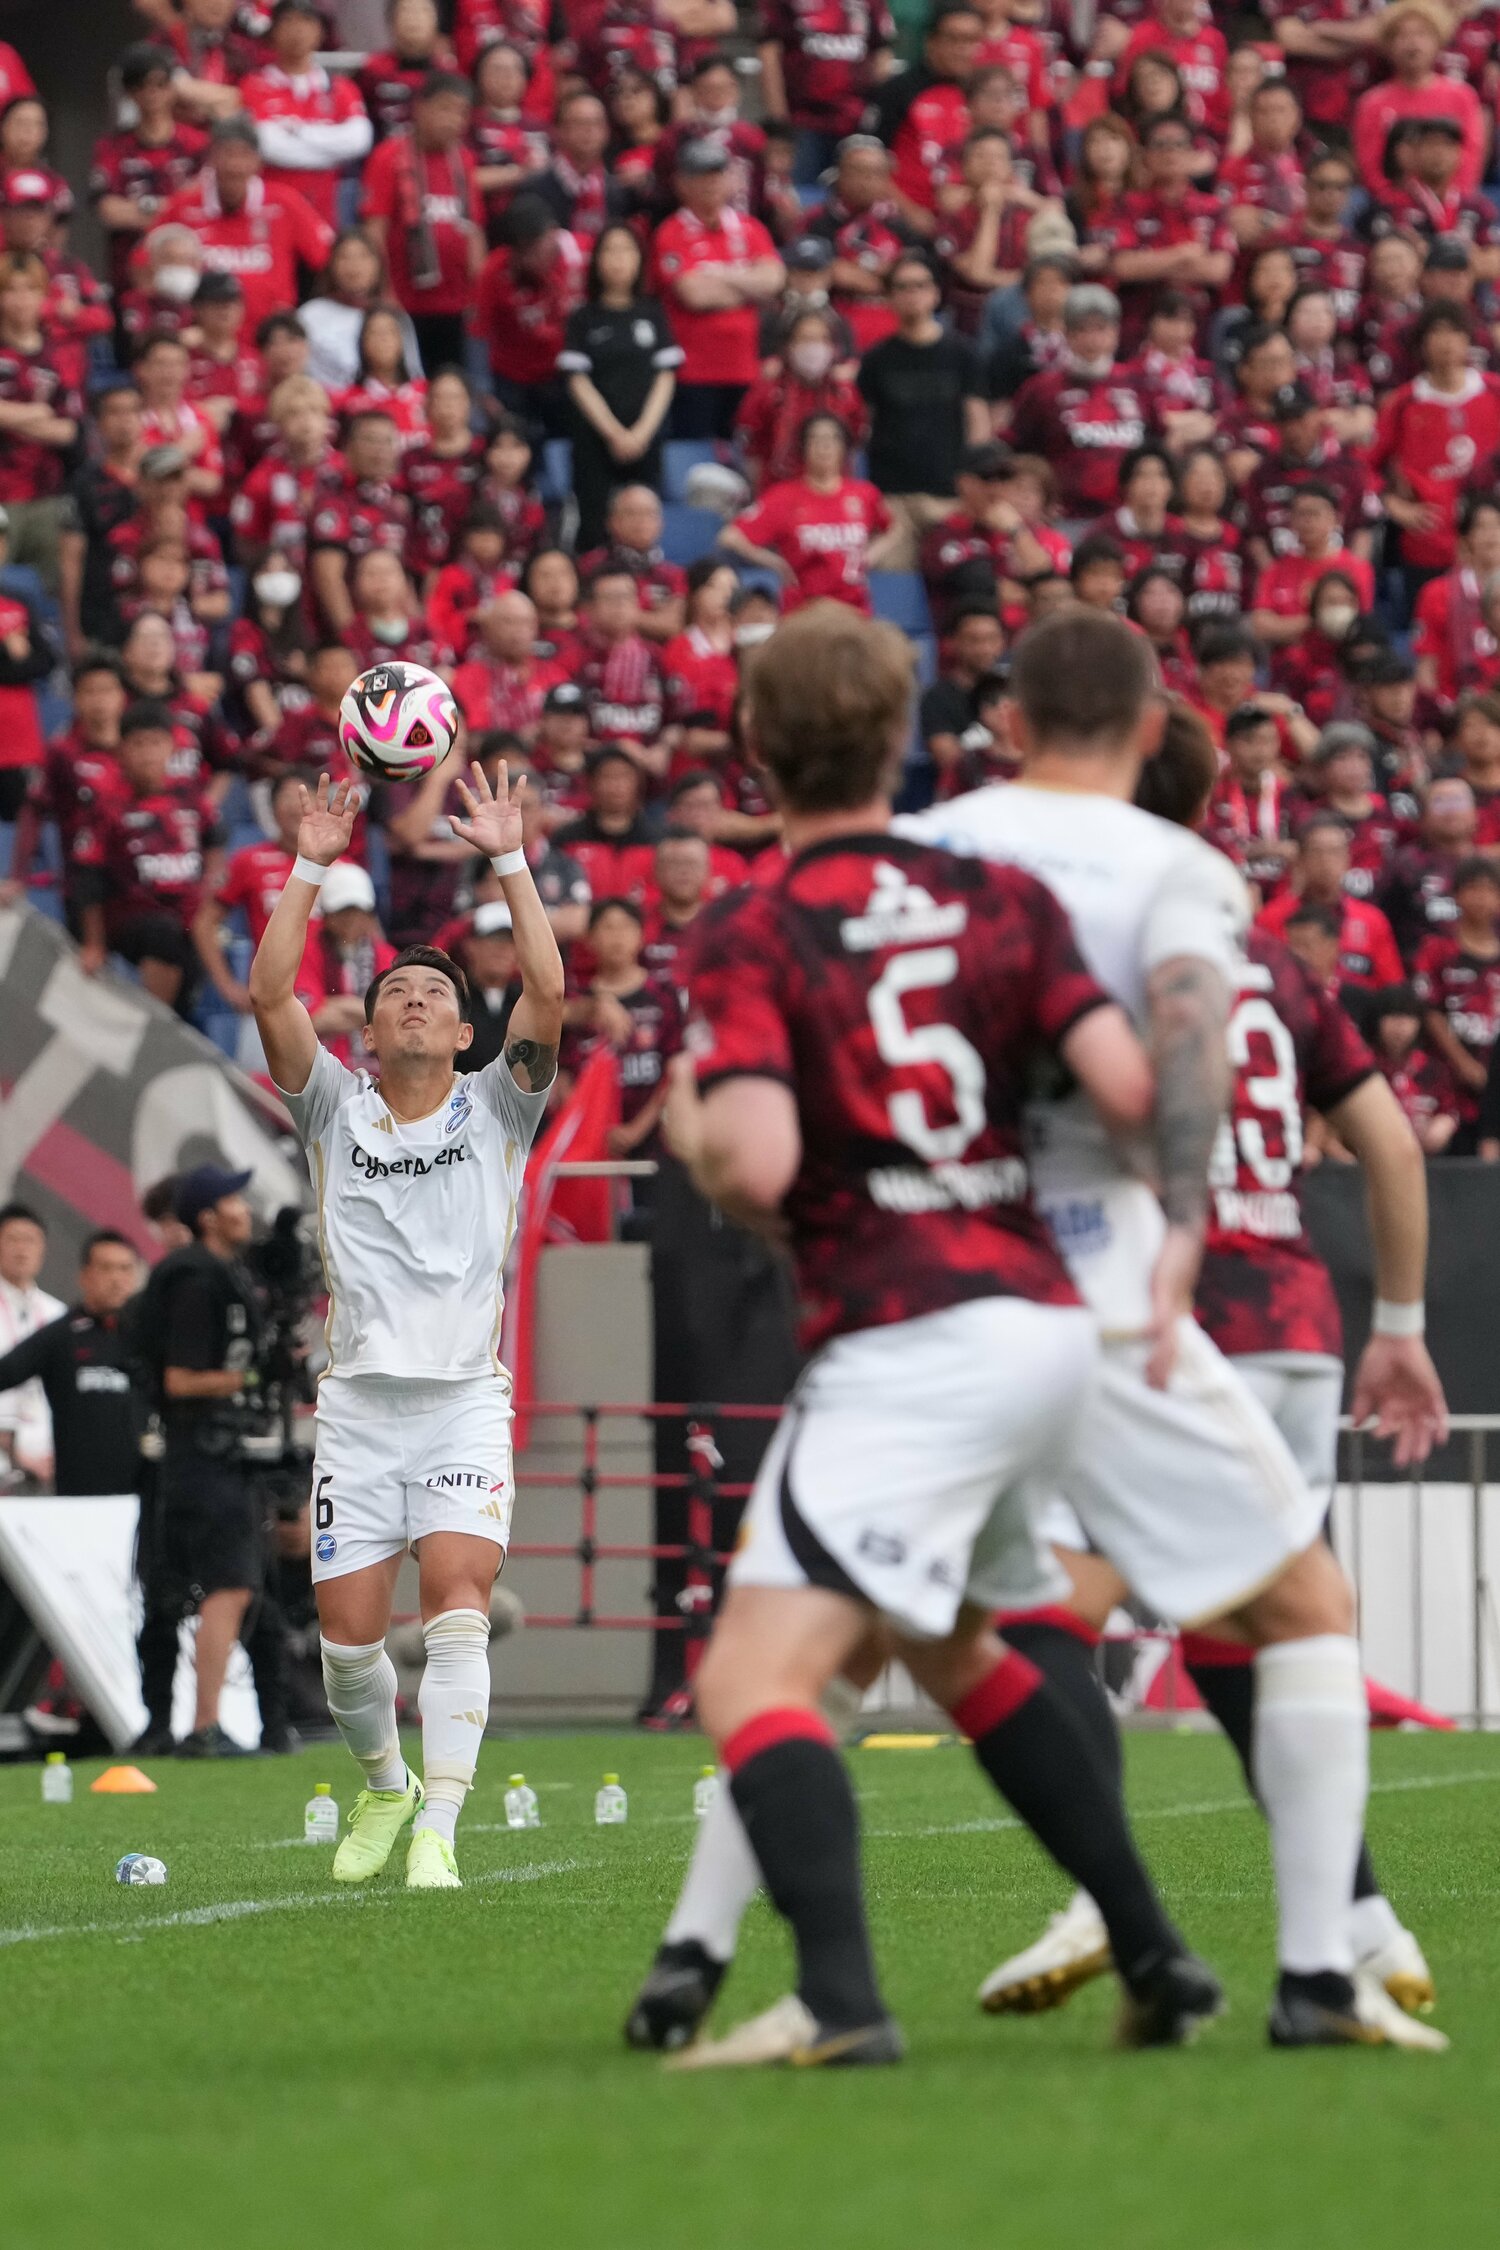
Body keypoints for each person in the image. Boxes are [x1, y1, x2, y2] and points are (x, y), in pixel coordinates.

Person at [633, 600, 1219, 2067]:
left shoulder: (751, 928)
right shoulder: (994, 893)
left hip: (906, 1337)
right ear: (905, 737)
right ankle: (1151, 1943)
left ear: (754, 750)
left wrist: (701, 1122)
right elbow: (1137, 1093)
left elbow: (757, 1167)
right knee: (956, 1642)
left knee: (750, 1680)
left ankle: (838, 2001)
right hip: (1039, 1317)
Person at [905, 606, 1441, 2047]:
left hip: (961, 1275)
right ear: (1157, 732)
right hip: (1208, 1294)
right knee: (1277, 1609)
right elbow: (1370, 1136)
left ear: (1004, 718)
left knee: (951, 1615)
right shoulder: (1211, 899)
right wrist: (1225, 1239)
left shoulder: (932, 848)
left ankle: (1099, 1908)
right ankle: (1331, 1951)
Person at [246, 758, 564, 1889]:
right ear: (370, 1032)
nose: (418, 998)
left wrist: (512, 859)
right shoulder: (334, 1107)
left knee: (462, 1607)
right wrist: (309, 866)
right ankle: (386, 1785)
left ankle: (441, 1824)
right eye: (396, 994)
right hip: (362, 1411)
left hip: (465, 1404)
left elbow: (548, 990)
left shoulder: (502, 1106)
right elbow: (269, 995)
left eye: (436, 993)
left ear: (467, 1032)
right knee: (346, 1651)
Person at [141, 1166, 271, 1757]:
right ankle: (203, 1725)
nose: (244, 1208)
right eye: (232, 1199)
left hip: (208, 1454)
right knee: (228, 1586)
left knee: (234, 1586)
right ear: (208, 1217)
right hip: (202, 1453)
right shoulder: (195, 1277)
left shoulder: (219, 1272)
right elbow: (181, 1379)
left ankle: (202, 1723)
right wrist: (247, 1377)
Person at [855, 253, 991, 566]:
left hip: (949, 495)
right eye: (902, 287)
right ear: (889, 298)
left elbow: (978, 423)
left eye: (920, 285)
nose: (912, 294)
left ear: (935, 293)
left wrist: (972, 485)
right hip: (892, 498)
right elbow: (863, 423)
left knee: (953, 579)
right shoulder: (876, 360)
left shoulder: (963, 354)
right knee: (892, 581)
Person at [650, 140, 784, 440]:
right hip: (693, 373)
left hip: (747, 369)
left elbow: (774, 282)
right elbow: (694, 295)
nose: (710, 183)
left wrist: (716, 274)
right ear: (681, 183)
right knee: (696, 459)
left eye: (716, 174)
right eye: (700, 175)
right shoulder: (670, 232)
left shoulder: (751, 228)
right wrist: (747, 281)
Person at [560, 223, 681, 550]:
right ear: (597, 260)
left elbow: (665, 375)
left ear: (640, 259)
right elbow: (577, 380)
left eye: (626, 250)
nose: (618, 259)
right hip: (595, 439)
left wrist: (641, 432)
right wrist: (614, 432)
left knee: (643, 518)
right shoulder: (583, 318)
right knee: (595, 526)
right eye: (610, 250)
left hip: (645, 437)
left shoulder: (653, 313)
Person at [360, 69, 484, 370]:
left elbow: (473, 229)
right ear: (420, 108)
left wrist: (479, 292)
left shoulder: (464, 160)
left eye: (461, 112)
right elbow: (374, 230)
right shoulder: (389, 156)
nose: (453, 120)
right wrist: (385, 293)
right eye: (445, 108)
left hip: (456, 304)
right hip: (404, 302)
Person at [0, 1233, 142, 1495]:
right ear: (85, 1276)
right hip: (77, 1500)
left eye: (125, 1269)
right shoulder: (61, 1336)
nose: (116, 1279)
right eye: (106, 1268)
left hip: (142, 1498)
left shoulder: (149, 1338)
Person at [718, 413, 894, 613]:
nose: (824, 447)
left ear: (844, 447)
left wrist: (870, 556)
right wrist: (774, 562)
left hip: (855, 609)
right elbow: (730, 537)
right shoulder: (783, 497)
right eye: (816, 439)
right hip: (803, 611)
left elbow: (892, 529)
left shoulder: (864, 494)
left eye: (833, 438)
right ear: (803, 447)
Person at [1413, 855, 1500, 1151]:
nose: (1481, 898)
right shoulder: (1437, 949)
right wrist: (1464, 1063)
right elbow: (1430, 1011)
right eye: (1473, 889)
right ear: (1457, 895)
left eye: (1490, 890)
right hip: (1448, 1082)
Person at [0, 1202, 65, 1487]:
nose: (21, 1249)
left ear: (43, 1248)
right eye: (12, 1239)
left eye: (30, 1240)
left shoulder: (58, 1315)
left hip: (52, 1461)